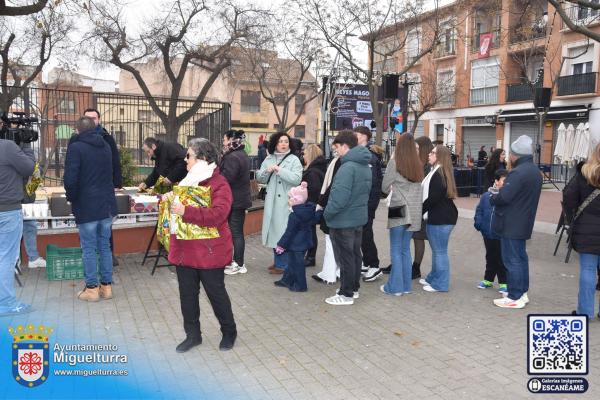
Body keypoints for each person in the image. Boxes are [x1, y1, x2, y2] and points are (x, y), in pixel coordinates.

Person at [166, 138, 237, 352]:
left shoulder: (218, 184)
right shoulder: (187, 181)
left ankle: (229, 332)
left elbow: (219, 214)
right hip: (185, 250)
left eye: (189, 155)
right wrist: (170, 201)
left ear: (203, 158)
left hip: (210, 251)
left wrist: (185, 211)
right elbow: (176, 213)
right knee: (187, 295)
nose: (185, 160)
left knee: (216, 294)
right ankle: (193, 335)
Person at [64, 117, 117, 302]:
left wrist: (71, 198)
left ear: (77, 131)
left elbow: (70, 179)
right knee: (104, 246)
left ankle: (92, 289)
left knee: (88, 248)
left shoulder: (76, 148)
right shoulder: (106, 146)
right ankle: (106, 287)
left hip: (87, 206)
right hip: (107, 205)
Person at [490, 135, 542, 309]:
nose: (510, 156)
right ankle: (521, 292)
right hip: (523, 221)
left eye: (511, 153)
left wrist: (494, 194)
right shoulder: (535, 171)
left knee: (512, 260)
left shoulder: (518, 173)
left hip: (512, 223)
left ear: (515, 155)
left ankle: (514, 296)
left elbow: (504, 197)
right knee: (520, 258)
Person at [323, 130, 372, 305]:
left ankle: (346, 293)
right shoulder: (364, 165)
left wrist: (326, 214)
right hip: (357, 218)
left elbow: (339, 198)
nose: (336, 151)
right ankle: (353, 288)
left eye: (337, 147)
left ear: (345, 145)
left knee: (345, 258)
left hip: (343, 220)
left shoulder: (347, 167)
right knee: (354, 256)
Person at [380, 134, 423, 296]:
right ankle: (405, 286)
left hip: (398, 207)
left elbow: (384, 187)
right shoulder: (418, 165)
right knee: (405, 249)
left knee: (396, 249)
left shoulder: (394, 162)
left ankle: (395, 287)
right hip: (414, 210)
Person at [256, 132, 303, 274]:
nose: (283, 144)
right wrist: (266, 171)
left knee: (283, 233)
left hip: (286, 202)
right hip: (272, 202)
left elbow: (296, 179)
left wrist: (279, 170)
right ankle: (278, 261)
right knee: (274, 232)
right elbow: (260, 178)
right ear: (275, 144)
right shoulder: (269, 158)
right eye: (281, 141)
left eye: (286, 142)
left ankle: (283, 264)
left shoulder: (294, 160)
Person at [0, 129, 35, 316]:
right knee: (6, 257)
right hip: (7, 210)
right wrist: (26, 146)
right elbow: (29, 168)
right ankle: (5, 303)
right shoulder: (7, 147)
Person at [563, 143, 600, 319]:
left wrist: (573, 219)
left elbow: (569, 198)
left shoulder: (584, 173)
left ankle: (585, 312)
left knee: (588, 270)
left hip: (587, 230)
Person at [82, 108, 122, 266]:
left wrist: (117, 183)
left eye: (94, 118)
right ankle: (91, 258)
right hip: (86, 191)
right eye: (88, 118)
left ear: (99, 119)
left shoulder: (106, 138)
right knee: (88, 227)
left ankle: (108, 255)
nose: (91, 121)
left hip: (105, 189)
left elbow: (115, 161)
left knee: (105, 224)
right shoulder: (77, 138)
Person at [419, 145, 458, 293]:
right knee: (437, 251)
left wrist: (420, 209)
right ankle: (433, 278)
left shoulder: (439, 173)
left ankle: (440, 284)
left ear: (440, 156)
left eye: (433, 153)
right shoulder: (437, 171)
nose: (429, 154)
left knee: (440, 252)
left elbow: (433, 198)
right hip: (441, 217)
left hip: (441, 218)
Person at [274, 182, 321, 292]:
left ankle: (301, 286)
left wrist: (281, 245)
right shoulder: (308, 210)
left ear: (296, 200)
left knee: (297, 265)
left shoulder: (294, 216)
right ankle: (286, 280)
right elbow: (317, 217)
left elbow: (289, 232)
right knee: (292, 262)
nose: (288, 200)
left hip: (296, 244)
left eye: (289, 198)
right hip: (304, 242)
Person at [353, 126, 383, 282]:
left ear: (364, 136)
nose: (354, 137)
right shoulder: (361, 154)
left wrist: (370, 205)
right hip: (362, 203)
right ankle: (366, 261)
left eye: (356, 134)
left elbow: (373, 184)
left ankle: (374, 265)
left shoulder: (369, 157)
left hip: (367, 204)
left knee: (366, 233)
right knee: (362, 233)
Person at [220, 129, 251, 276]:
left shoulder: (232, 157)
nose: (223, 142)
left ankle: (239, 264)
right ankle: (237, 262)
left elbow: (227, 179)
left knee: (236, 233)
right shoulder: (242, 154)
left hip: (235, 200)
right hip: (240, 199)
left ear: (232, 140)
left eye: (225, 139)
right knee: (236, 232)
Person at [311, 146, 343, 285]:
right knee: (338, 243)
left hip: (333, 207)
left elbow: (332, 186)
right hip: (341, 208)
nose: (334, 149)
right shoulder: (339, 162)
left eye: (336, 146)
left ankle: (329, 273)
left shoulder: (339, 162)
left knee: (331, 242)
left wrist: (321, 202)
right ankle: (334, 271)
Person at [474, 169, 509, 293]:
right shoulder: (485, 196)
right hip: (487, 233)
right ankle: (488, 280)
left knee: (501, 259)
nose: (506, 183)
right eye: (504, 180)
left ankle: (504, 283)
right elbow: (479, 210)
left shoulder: (507, 197)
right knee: (490, 257)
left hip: (501, 235)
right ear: (496, 181)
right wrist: (479, 223)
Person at [302, 144, 327, 267]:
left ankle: (310, 257)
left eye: (305, 154)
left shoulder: (312, 172)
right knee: (310, 232)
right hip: (314, 204)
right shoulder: (320, 169)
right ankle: (310, 256)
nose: (303, 156)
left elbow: (314, 190)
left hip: (311, 205)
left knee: (309, 232)